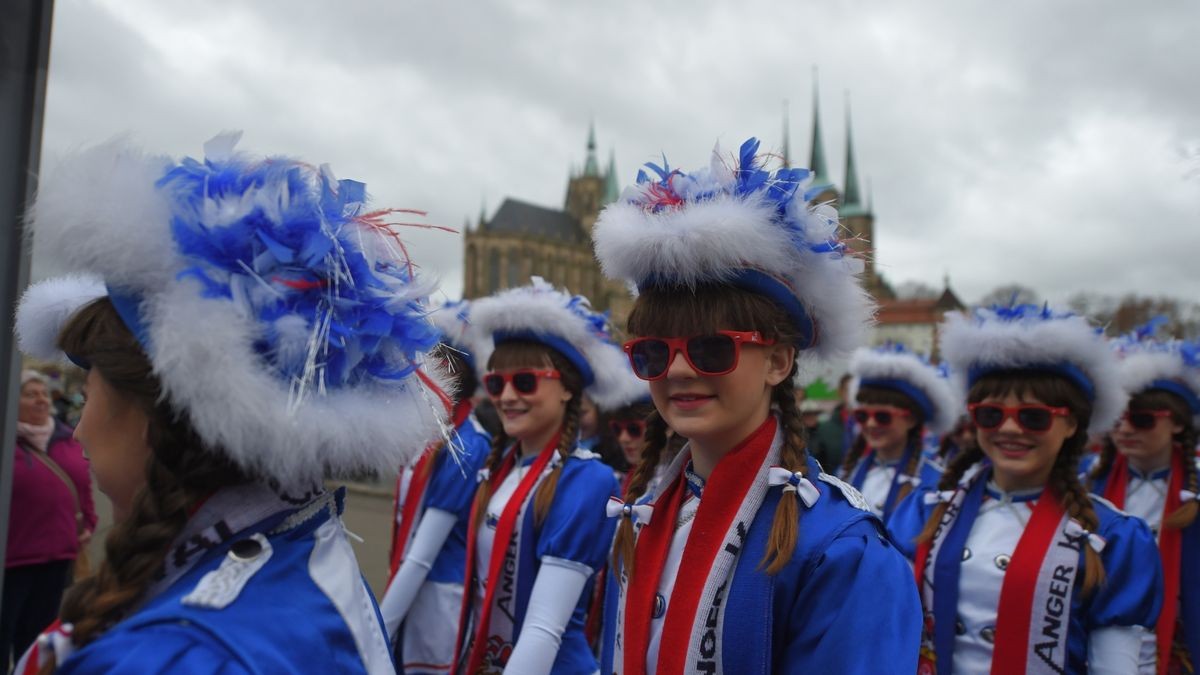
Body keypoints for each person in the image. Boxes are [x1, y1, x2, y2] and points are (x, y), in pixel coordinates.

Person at [11, 134, 452, 673]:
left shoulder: (175, 658)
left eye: (93, 385)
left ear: (162, 408)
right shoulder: (300, 550)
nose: (75, 431)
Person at [593, 138, 921, 673]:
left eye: (711, 348)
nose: (677, 370)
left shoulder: (842, 549)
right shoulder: (641, 513)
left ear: (778, 361)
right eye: (653, 352)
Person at [888, 305, 1164, 674]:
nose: (1011, 429)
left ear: (1070, 425)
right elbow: (888, 628)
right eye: (991, 414)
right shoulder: (922, 511)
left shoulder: (1111, 536)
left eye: (1034, 417)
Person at [452, 277, 642, 675]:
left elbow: (545, 627)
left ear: (569, 390)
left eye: (525, 381)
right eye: (496, 382)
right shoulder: (498, 470)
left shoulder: (589, 480)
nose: (506, 396)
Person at [380, 300, 492, 674]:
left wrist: (378, 629)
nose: (429, 369)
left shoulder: (467, 444)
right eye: (427, 358)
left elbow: (424, 553)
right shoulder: (432, 433)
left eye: (442, 361)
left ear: (461, 372)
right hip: (412, 591)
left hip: (439, 601)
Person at [1087, 326, 1200, 673]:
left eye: (1141, 419)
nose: (1125, 430)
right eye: (1117, 420)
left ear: (1178, 424)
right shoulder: (1084, 491)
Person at [2, 370, 97, 668]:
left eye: (43, 393)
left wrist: (89, 523)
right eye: (31, 394)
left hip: (57, 555)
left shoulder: (66, 436)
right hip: (13, 560)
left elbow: (83, 486)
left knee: (38, 640)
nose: (41, 399)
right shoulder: (7, 441)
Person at [838, 344, 957, 523]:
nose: (870, 424)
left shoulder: (934, 482)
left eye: (883, 417)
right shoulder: (847, 473)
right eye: (862, 416)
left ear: (911, 420)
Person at [811, 373, 854, 469]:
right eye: (849, 390)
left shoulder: (875, 426)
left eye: (858, 390)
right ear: (840, 392)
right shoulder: (824, 430)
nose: (854, 396)